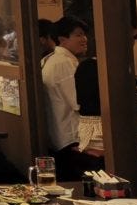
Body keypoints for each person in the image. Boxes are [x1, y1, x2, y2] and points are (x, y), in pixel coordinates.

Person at [42, 16, 104, 179]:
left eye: (84, 34)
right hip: (71, 138)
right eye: (78, 35)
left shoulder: (53, 59)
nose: (84, 39)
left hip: (60, 136)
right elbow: (78, 103)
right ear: (62, 39)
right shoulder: (64, 63)